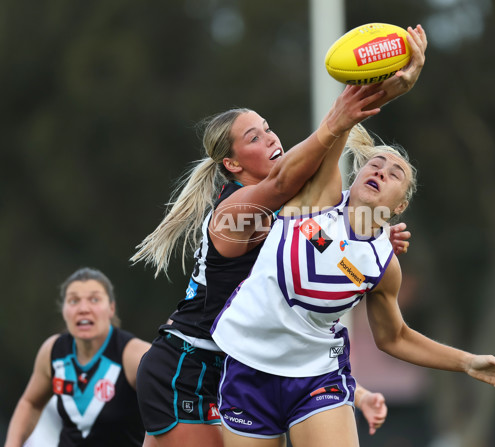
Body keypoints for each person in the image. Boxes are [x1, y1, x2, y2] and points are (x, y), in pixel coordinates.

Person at [131, 24, 428, 447]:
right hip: (189, 366)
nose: (271, 137)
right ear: (233, 165)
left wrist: (371, 235)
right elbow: (294, 185)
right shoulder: (239, 209)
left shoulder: (290, 203)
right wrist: (353, 107)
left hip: (243, 365)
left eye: (268, 127)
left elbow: (327, 223)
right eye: (254, 137)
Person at [209, 112, 495, 446]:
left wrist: (468, 362)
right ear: (357, 173)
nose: (381, 170)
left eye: (395, 174)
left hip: (316, 378)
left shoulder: (383, 265)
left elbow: (395, 337)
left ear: (400, 205)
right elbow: (334, 131)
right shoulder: (319, 197)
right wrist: (357, 99)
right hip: (248, 367)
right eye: (375, 163)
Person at [4, 267, 156, 447]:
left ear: (111, 308)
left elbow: (164, 411)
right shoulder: (53, 352)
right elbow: (30, 403)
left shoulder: (133, 355)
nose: (83, 308)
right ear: (63, 310)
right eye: (74, 300)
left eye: (94, 299)